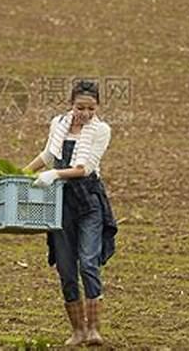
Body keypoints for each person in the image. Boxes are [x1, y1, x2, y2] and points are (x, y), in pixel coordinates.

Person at [23, 80, 118, 346]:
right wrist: (22, 173)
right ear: (71, 104)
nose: (85, 114)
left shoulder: (101, 131)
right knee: (65, 268)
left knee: (88, 262)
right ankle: (77, 331)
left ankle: (94, 330)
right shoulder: (59, 125)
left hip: (88, 201)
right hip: (61, 204)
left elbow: (85, 168)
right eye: (80, 107)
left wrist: (54, 175)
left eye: (91, 108)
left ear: (97, 106)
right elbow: (48, 154)